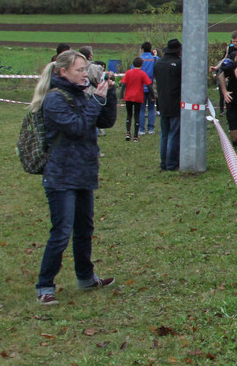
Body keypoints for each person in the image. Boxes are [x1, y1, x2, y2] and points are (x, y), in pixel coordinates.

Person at [33, 49, 118, 304]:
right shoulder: (55, 99)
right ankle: (45, 286)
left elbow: (105, 122)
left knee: (84, 229)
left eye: (85, 69)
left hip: (83, 171)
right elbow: (77, 128)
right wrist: (95, 101)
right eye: (80, 70)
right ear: (63, 72)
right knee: (61, 232)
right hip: (61, 175)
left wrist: (108, 94)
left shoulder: (81, 94)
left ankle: (86, 277)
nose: (85, 74)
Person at [153, 38, 182, 171]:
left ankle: (163, 162)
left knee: (164, 134)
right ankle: (171, 163)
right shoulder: (179, 64)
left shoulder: (158, 63)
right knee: (174, 133)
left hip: (162, 102)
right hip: (175, 102)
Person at [118, 56, 151, 142]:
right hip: (138, 97)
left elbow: (123, 84)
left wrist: (121, 95)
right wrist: (152, 95)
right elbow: (149, 85)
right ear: (142, 64)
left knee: (129, 114)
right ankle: (136, 136)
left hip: (128, 96)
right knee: (137, 115)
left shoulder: (128, 72)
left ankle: (128, 133)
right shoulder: (142, 73)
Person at [139, 41, 157, 135]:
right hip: (152, 86)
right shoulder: (155, 59)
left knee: (141, 109)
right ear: (150, 49)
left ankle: (141, 129)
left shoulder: (139, 60)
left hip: (140, 87)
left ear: (142, 49)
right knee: (151, 108)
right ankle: (151, 129)